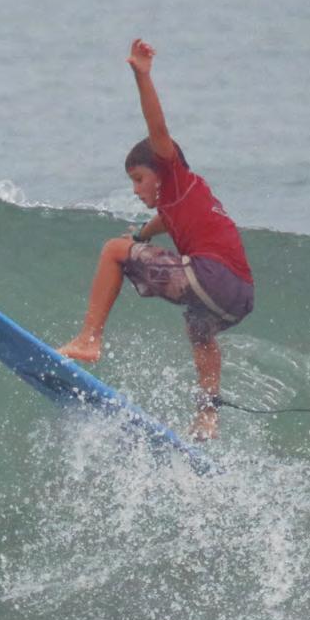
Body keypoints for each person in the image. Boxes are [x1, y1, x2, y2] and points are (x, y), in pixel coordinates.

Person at [58, 39, 254, 442]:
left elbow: (157, 129)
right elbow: (165, 220)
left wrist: (142, 76)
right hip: (239, 295)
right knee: (200, 333)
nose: (136, 189)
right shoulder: (188, 194)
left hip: (211, 274)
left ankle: (89, 339)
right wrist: (140, 234)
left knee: (112, 251)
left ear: (161, 170)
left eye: (138, 179)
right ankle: (207, 416)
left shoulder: (175, 174)